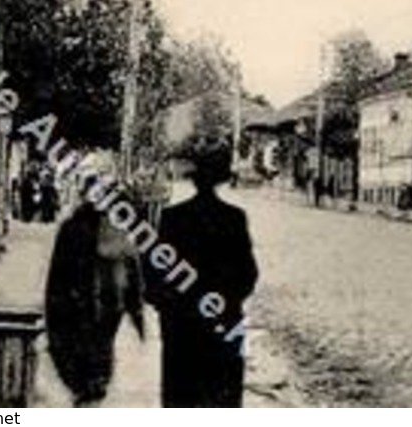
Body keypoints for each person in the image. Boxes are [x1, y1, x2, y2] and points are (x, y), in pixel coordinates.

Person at [147, 142, 259, 407]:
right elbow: (248, 273)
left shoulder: (173, 217)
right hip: (223, 320)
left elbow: (154, 271)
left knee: (181, 397)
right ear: (219, 181)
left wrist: (166, 305)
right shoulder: (234, 218)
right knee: (221, 397)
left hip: (180, 325)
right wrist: (230, 302)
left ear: (195, 181)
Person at [43, 161, 146, 407]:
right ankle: (90, 392)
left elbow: (129, 269)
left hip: (86, 308)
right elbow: (131, 272)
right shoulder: (110, 228)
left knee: (86, 362)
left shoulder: (75, 228)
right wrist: (136, 311)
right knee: (95, 360)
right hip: (98, 308)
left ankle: (87, 393)